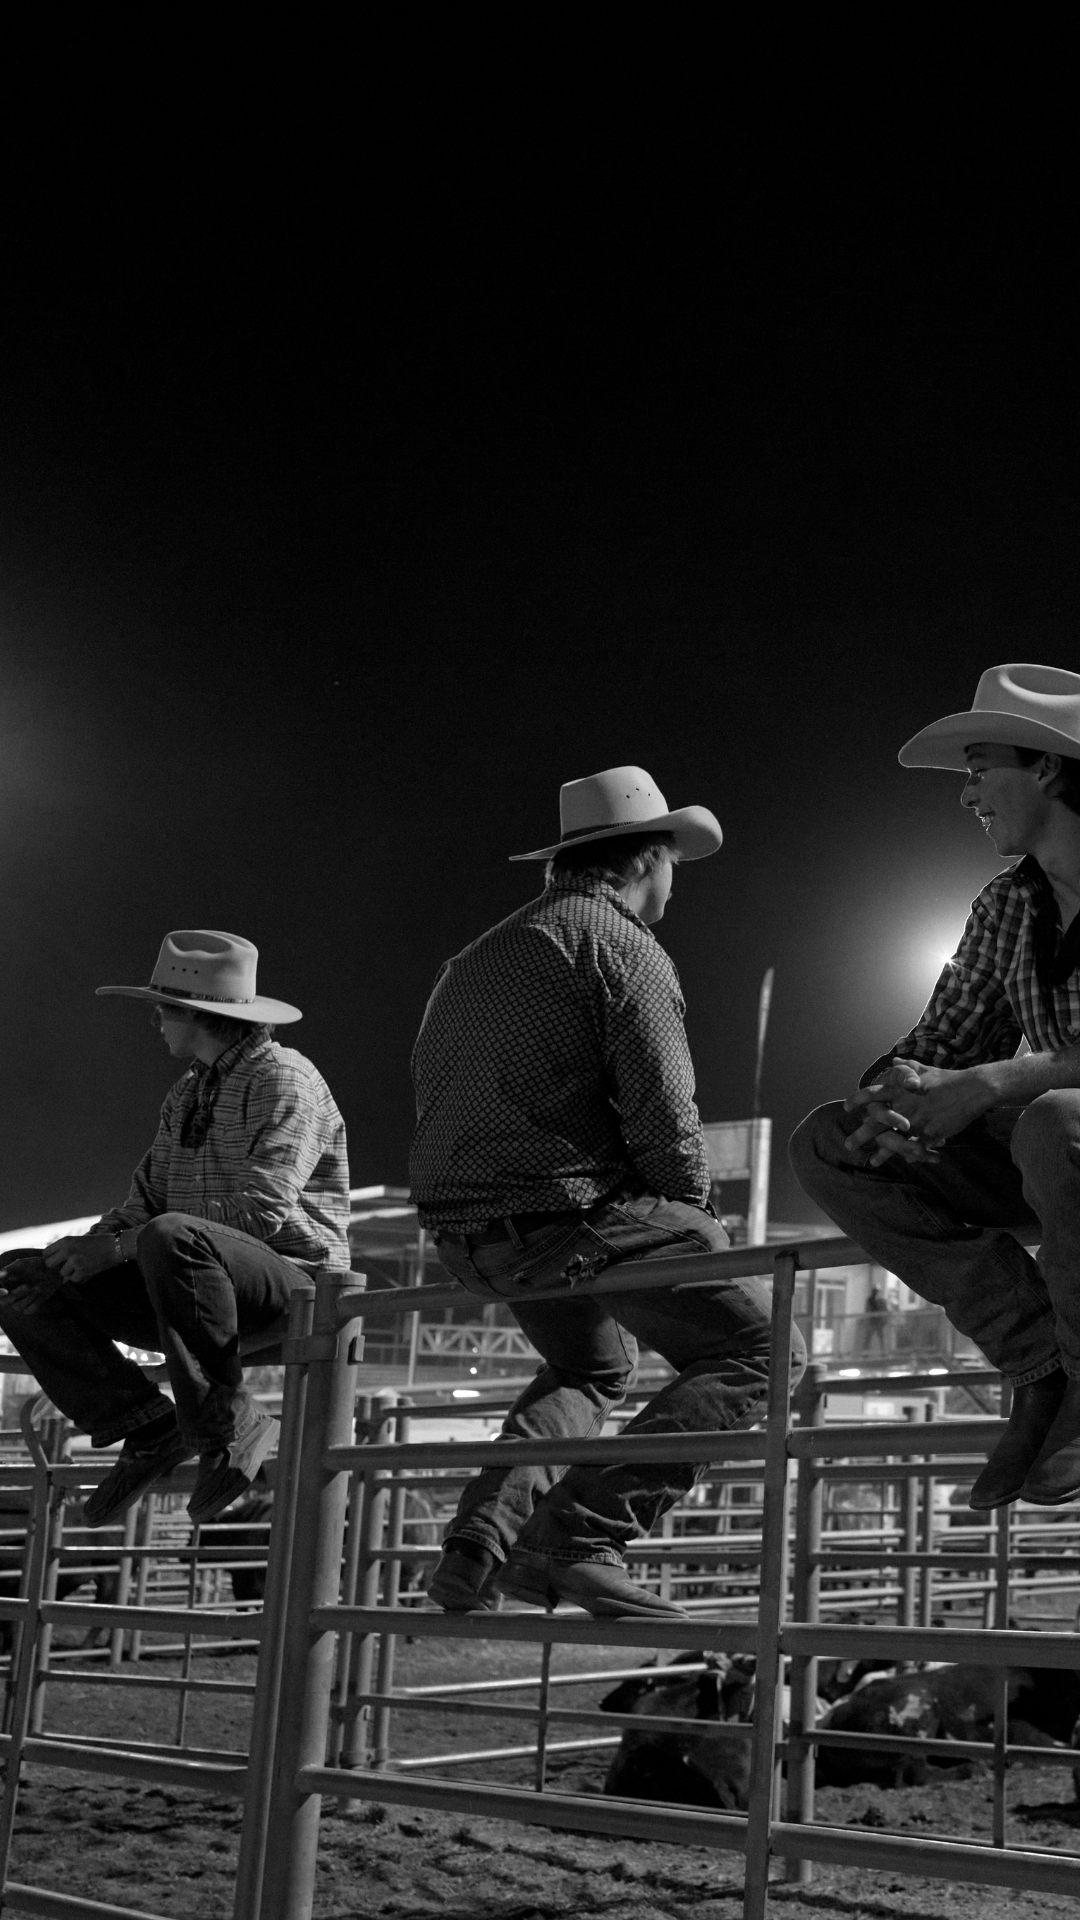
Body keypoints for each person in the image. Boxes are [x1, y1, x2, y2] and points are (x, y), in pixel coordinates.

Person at [411, 765, 806, 1619]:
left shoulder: (473, 958)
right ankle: (578, 1539)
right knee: (766, 1351)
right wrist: (699, 1220)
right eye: (672, 864)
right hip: (567, 1214)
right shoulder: (621, 946)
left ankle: (480, 1541)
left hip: (468, 1232)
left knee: (588, 1366)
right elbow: (666, 1109)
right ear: (648, 861)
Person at [791, 663, 1080, 1509]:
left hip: (1060, 1140)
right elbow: (938, 1038)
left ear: (1048, 769)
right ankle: (1044, 1367)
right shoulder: (1007, 907)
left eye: (980, 769)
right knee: (829, 1140)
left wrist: (989, 1082)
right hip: (1060, 1164)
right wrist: (897, 1093)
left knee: (1051, 1120)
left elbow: (995, 1076)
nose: (968, 795)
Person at [0, 930, 350, 1527]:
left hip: (291, 1288)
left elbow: (262, 1210)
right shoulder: (189, 1091)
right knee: (19, 1276)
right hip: (188, 1284)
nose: (156, 1019)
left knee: (169, 1235)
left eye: (162, 1007)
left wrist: (120, 1245)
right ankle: (146, 1425)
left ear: (195, 1013)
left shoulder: (285, 1079)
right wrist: (77, 1254)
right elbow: (143, 1204)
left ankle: (224, 1420)